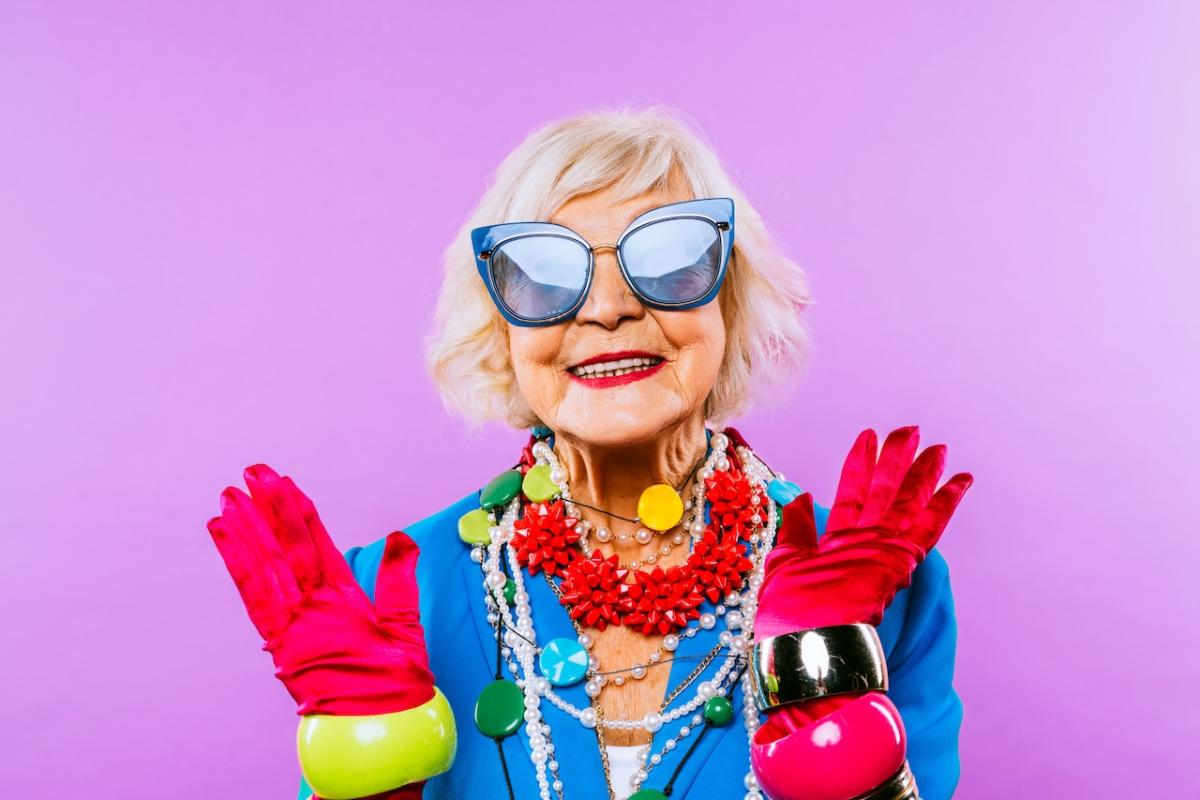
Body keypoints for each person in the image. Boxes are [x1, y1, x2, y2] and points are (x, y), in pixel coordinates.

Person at [207, 106, 973, 800]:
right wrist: (368, 765)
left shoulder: (881, 589)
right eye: (545, 274)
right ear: (502, 330)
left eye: (671, 260)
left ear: (730, 304)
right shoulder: (385, 595)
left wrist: (826, 680)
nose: (607, 308)